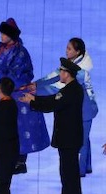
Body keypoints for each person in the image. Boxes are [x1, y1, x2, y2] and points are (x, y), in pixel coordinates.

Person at [0, 18, 49, 174]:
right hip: (10, 92)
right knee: (13, 127)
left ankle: (20, 162)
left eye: (4, 34)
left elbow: (14, 77)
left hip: (20, 93)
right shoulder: (1, 48)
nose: (1, 36)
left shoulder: (21, 53)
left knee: (21, 127)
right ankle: (13, 159)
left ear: (11, 35)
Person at [21, 58, 84, 194]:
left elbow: (52, 104)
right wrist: (34, 99)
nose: (60, 74)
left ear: (68, 74)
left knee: (70, 176)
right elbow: (53, 99)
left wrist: (32, 101)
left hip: (69, 140)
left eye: (62, 72)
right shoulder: (70, 89)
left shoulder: (71, 91)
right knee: (66, 175)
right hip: (67, 139)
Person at [26, 38, 98, 177]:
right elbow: (54, 75)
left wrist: (37, 92)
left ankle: (80, 171)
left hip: (86, 110)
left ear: (77, 52)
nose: (66, 51)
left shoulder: (81, 71)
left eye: (69, 49)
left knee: (82, 141)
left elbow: (58, 87)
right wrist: (36, 84)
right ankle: (87, 166)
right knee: (84, 137)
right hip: (81, 108)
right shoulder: (70, 63)